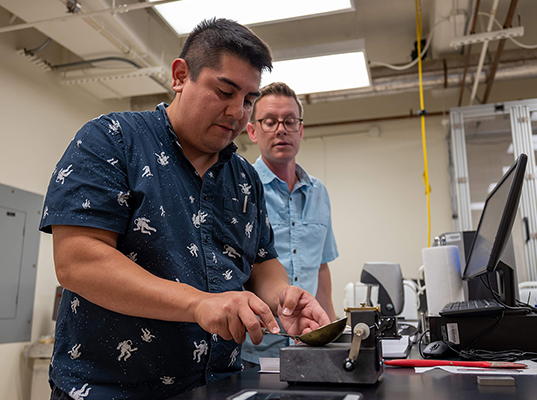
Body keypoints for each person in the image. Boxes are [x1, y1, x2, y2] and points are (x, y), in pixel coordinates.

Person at [39, 19, 329, 400]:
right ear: (180, 76)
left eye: (247, 100)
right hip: (111, 389)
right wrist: (198, 304)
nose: (237, 112)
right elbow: (78, 261)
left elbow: (261, 261)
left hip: (220, 386)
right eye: (224, 91)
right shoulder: (112, 140)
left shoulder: (244, 178)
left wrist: (282, 297)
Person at [242, 82, 339, 364]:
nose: (281, 129)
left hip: (307, 346)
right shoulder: (240, 188)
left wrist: (329, 336)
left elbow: (321, 268)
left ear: (301, 129)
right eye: (270, 122)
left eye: (289, 121)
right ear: (252, 131)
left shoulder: (319, 192)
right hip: (252, 349)